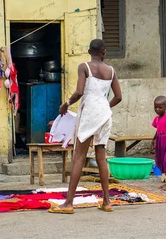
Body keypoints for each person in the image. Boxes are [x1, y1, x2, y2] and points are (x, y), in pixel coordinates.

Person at [49, 39, 122, 214]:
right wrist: (104, 108)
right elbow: (118, 97)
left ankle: (68, 204)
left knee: (79, 157)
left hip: (89, 113)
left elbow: (80, 92)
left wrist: (66, 104)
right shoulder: (111, 70)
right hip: (105, 115)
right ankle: (106, 202)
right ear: (104, 52)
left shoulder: (84, 67)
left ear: (89, 51)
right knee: (101, 157)